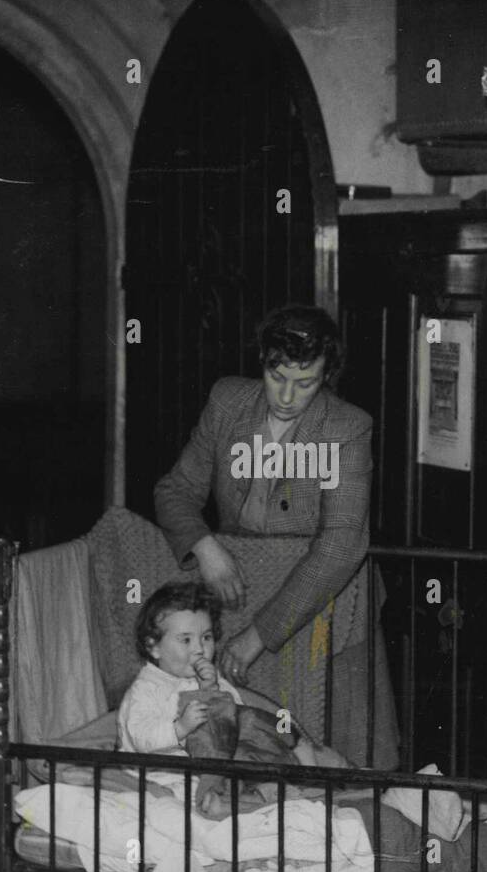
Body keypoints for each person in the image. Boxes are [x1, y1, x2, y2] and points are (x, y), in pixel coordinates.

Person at [153, 305, 398, 769]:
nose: (286, 396)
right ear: (262, 361)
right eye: (276, 376)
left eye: (305, 382)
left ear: (327, 375)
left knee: (342, 755)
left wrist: (257, 637)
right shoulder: (227, 402)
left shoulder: (348, 427)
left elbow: (341, 544)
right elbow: (174, 490)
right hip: (240, 590)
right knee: (246, 746)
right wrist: (206, 547)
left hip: (326, 603)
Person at [118, 581, 242, 756]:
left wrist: (211, 690)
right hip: (156, 773)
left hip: (203, 770)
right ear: (153, 647)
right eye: (186, 640)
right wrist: (179, 728)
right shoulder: (146, 688)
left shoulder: (212, 680)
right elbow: (140, 738)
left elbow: (237, 720)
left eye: (206, 637)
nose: (199, 649)